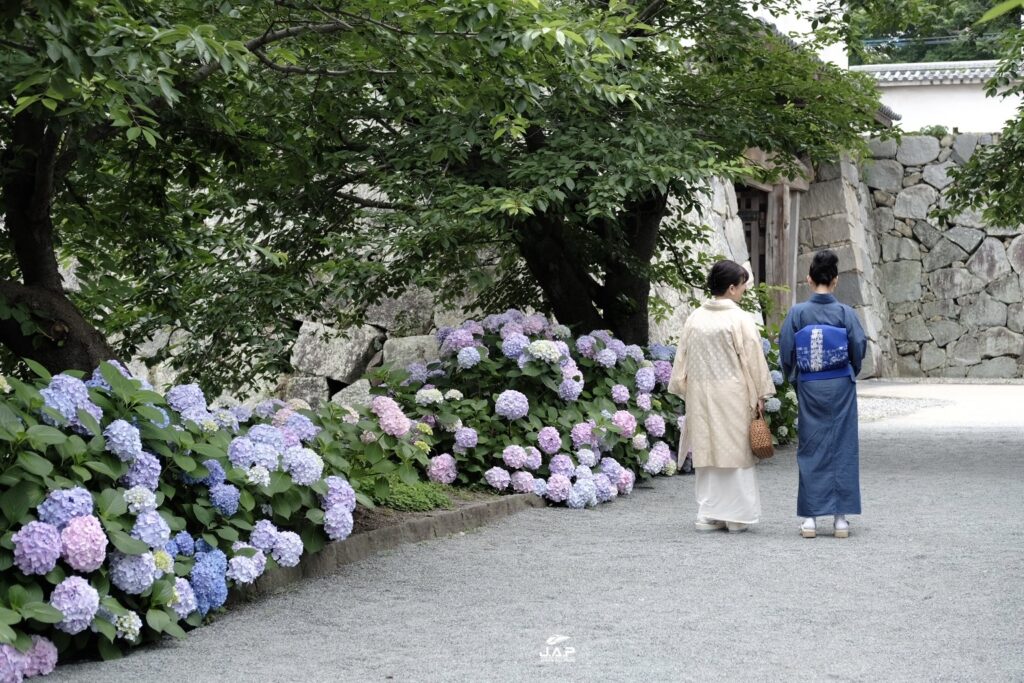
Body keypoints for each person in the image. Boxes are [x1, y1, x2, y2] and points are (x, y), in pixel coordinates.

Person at [668, 260, 776, 533]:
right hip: (734, 394)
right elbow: (753, 359)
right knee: (735, 452)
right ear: (731, 288)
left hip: (701, 393)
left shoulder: (695, 318)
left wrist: (685, 387)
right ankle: (736, 516)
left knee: (708, 451)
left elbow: (682, 359)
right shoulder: (739, 318)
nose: (742, 291)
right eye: (741, 286)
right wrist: (761, 393)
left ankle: (709, 512)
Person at [778, 249, 867, 539]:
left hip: (811, 384)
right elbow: (858, 346)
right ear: (836, 281)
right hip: (840, 383)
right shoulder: (845, 313)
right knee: (842, 446)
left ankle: (810, 519)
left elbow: (787, 351)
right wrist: (850, 369)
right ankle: (840, 519)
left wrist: (797, 376)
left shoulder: (798, 313)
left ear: (809, 279)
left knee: (811, 446)